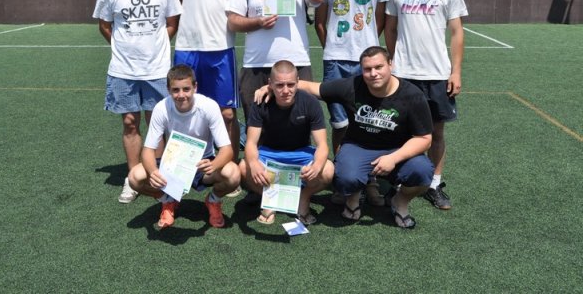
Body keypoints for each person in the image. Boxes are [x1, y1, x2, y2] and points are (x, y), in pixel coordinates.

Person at [255, 47, 434, 228]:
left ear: (390, 65)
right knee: (345, 177)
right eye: (367, 69)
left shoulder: (412, 95)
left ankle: (400, 201)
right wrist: (271, 87)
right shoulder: (352, 86)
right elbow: (312, 87)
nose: (373, 73)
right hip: (359, 147)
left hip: (396, 149)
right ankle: (353, 195)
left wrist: (393, 158)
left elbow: (425, 139)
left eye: (379, 67)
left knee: (423, 171)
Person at [93, 0, 182, 203]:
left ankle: (158, 176)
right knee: (130, 123)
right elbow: (104, 25)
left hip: (157, 70)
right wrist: (124, 46)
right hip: (123, 70)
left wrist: (154, 46)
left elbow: (172, 23)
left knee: (157, 124)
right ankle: (133, 178)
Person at [384, 0, 468, 210]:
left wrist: (455, 71)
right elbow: (390, 29)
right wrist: (393, 62)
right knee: (398, 132)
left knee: (436, 133)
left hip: (437, 75)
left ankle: (434, 184)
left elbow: (456, 33)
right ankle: (397, 182)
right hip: (403, 75)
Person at [168, 0, 247, 183]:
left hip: (220, 49)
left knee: (227, 114)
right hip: (187, 48)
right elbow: (175, 5)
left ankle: (230, 170)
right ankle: (179, 174)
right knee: (182, 109)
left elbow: (240, 6)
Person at [315, 0, 389, 206]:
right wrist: (334, 46)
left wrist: (366, 48)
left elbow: (380, 20)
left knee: (369, 122)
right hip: (335, 60)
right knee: (340, 124)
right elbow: (320, 22)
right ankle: (342, 179)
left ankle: (370, 180)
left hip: (365, 63)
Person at [226, 0, 325, 122]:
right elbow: (233, 22)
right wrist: (258, 22)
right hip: (256, 66)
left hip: (297, 64)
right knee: (257, 127)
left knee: (299, 125)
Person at [128, 64, 240, 229]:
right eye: (175, 90)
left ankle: (213, 200)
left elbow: (227, 150)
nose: (181, 95)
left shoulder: (209, 106)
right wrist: (153, 172)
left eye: (186, 89)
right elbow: (147, 151)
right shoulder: (161, 108)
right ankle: (167, 201)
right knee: (134, 177)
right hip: (172, 163)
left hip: (202, 163)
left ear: (195, 87)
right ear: (168, 90)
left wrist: (214, 165)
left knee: (233, 174)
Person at [240, 60, 334, 225]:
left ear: (298, 82)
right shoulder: (261, 103)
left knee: (327, 169)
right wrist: (254, 164)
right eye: (279, 85)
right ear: (270, 83)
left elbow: (322, 145)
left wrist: (317, 166)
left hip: (301, 153)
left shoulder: (310, 102)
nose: (285, 90)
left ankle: (303, 197)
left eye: (290, 85)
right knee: (243, 167)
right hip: (269, 153)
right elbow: (251, 143)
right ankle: (270, 198)